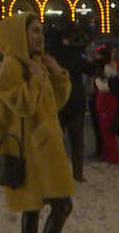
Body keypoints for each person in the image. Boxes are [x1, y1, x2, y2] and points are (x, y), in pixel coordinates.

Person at [0, 13, 75, 233]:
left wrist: (57, 74)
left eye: (41, 31)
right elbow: (22, 104)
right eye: (34, 31)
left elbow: (53, 103)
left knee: (34, 209)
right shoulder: (11, 66)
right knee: (61, 205)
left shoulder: (35, 62)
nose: (40, 36)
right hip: (31, 151)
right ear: (20, 35)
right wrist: (38, 78)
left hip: (44, 146)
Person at [47, 26, 88, 182]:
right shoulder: (75, 54)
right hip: (76, 102)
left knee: (57, 140)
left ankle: (57, 171)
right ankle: (77, 173)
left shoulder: (52, 56)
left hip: (58, 102)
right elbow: (89, 68)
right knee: (77, 140)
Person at [93, 59, 119, 164]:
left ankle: (112, 156)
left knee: (108, 132)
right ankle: (107, 154)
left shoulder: (111, 81)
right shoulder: (108, 79)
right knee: (104, 132)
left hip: (107, 107)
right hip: (103, 107)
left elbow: (104, 88)